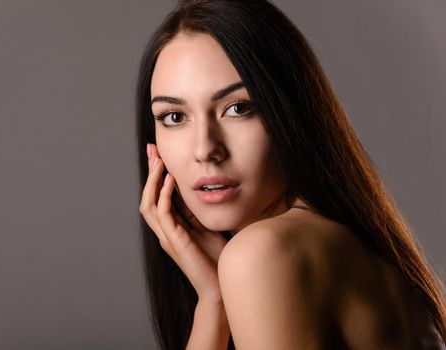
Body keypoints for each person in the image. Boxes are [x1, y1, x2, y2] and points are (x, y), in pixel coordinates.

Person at [136, 0, 446, 349]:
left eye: (238, 108)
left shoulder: (264, 253)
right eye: (174, 117)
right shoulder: (341, 243)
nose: (205, 149)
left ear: (290, 112)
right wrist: (214, 300)